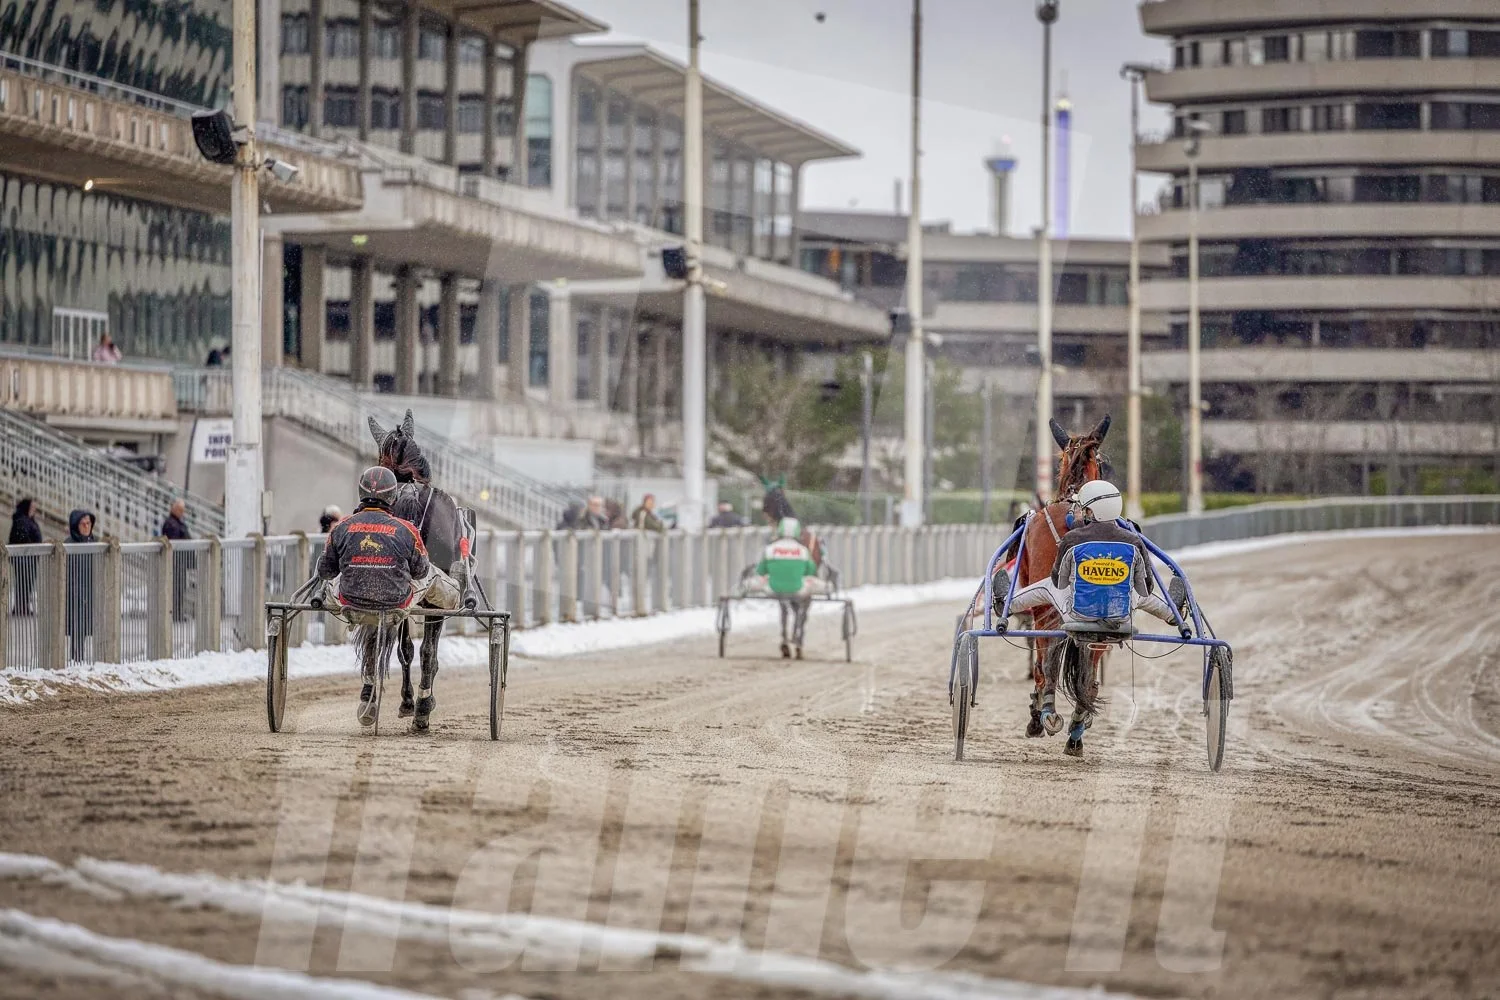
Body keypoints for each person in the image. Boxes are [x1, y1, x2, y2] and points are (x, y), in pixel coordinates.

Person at [316, 467, 461, 725]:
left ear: (361, 493)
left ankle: (369, 687)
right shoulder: (406, 530)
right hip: (396, 603)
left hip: (350, 604)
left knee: (334, 582)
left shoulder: (342, 528)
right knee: (433, 578)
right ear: (393, 496)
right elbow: (420, 570)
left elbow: (325, 570)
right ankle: (456, 596)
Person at [1002, 480, 1186, 635]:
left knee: (1048, 586)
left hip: (1078, 615)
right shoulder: (1134, 541)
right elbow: (1146, 587)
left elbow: (1060, 582)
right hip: (1121, 616)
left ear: (1090, 511)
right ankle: (1172, 613)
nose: (1079, 512)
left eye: (1082, 509)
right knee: (1140, 594)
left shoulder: (1071, 539)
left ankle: (1005, 605)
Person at [748, 517, 826, 597]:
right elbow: (811, 571)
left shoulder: (769, 549)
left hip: (773, 589)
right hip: (798, 590)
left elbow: (761, 571)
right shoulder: (803, 550)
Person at [66, 510, 97, 662]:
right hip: (74, 593)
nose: (86, 526)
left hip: (89, 592)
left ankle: (81, 658)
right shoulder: (69, 544)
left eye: (88, 523)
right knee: (76, 627)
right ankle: (75, 658)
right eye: (83, 524)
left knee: (85, 628)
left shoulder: (95, 543)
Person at [8, 498, 43, 615]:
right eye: (32, 507)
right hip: (23, 558)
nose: (34, 510)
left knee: (28, 582)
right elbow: (22, 538)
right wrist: (32, 548)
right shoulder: (21, 520)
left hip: (30, 558)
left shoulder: (29, 520)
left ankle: (23, 606)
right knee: (23, 582)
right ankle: (20, 607)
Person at [160, 499, 192, 622]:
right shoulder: (171, 523)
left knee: (180, 588)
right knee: (175, 588)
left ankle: (178, 613)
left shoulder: (178, 523)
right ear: (173, 509)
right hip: (175, 561)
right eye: (179, 510)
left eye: (182, 510)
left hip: (180, 561)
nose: (181, 513)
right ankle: (174, 614)